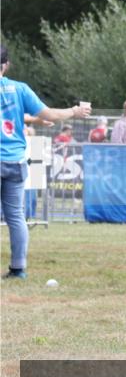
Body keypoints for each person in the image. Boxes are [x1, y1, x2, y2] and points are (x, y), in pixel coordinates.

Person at [1, 44, 91, 279]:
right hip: (15, 161)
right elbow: (50, 114)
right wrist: (73, 111)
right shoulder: (19, 89)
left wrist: (34, 120)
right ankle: (18, 268)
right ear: (6, 64)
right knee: (16, 216)